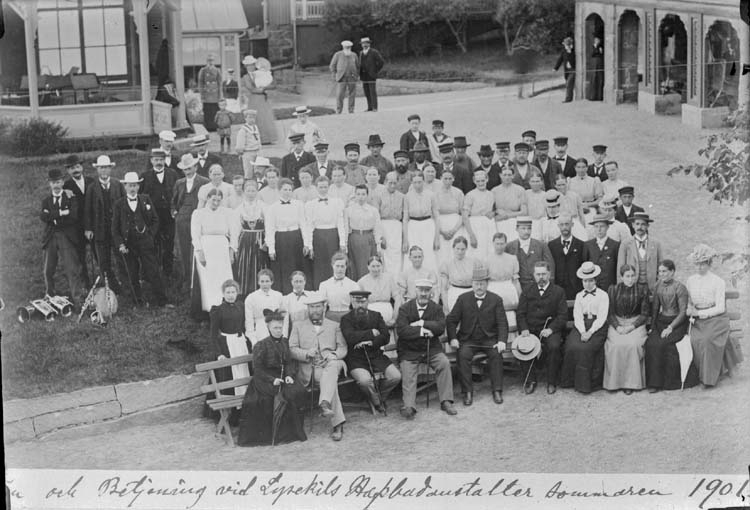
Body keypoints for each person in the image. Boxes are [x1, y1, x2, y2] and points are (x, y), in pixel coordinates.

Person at [238, 309, 307, 447]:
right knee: (265, 399)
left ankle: (290, 433)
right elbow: (258, 369)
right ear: (268, 327)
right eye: (275, 328)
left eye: (280, 327)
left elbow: (289, 363)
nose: (278, 330)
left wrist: (289, 375)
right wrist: (272, 379)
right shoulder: (261, 345)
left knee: (296, 392)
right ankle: (269, 435)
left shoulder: (286, 342)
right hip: (264, 379)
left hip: (283, 377)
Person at [446, 264, 508, 406]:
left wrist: (502, 341)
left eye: (482, 284)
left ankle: (497, 390)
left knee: (496, 355)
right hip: (468, 340)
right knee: (462, 356)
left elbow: (502, 323)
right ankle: (467, 392)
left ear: (487, 284)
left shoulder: (496, 299)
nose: (479, 286)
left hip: (489, 339)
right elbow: (451, 320)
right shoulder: (463, 298)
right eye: (476, 283)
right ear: (472, 284)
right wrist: (453, 338)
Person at [289, 292, 348, 441]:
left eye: (317, 306)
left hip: (332, 363)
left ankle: (325, 404)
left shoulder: (334, 325)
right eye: (311, 307)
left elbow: (343, 348)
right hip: (313, 368)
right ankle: (336, 420)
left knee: (332, 367)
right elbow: (291, 349)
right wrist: (306, 353)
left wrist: (334, 354)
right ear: (307, 308)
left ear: (324, 307)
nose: (314, 310)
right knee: (329, 381)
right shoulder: (298, 326)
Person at [396, 279, 457, 419]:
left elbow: (440, 327)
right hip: (409, 350)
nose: (423, 293)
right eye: (421, 290)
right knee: (407, 371)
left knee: (444, 363)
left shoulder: (436, 308)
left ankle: (446, 401)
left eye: (427, 290)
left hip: (432, 349)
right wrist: (422, 331)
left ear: (431, 292)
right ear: (415, 291)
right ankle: (409, 406)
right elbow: (402, 330)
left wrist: (422, 322)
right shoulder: (405, 308)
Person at [685, 244, 743, 387]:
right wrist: (690, 308)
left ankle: (708, 378)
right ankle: (698, 374)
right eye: (697, 264)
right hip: (697, 321)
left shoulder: (718, 282)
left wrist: (700, 313)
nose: (699, 267)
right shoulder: (691, 280)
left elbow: (720, 308)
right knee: (694, 340)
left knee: (706, 340)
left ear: (709, 263)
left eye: (703, 264)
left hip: (716, 319)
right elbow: (690, 301)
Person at [112, 172, 171, 307]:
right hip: (128, 244)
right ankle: (137, 302)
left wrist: (150, 236)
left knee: (153, 270)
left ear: (138, 186)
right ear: (125, 187)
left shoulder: (145, 199)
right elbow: (115, 228)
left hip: (145, 242)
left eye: (135, 185)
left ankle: (162, 301)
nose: (132, 188)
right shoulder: (119, 204)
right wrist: (120, 244)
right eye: (130, 185)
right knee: (132, 273)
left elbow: (155, 220)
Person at [341, 290, 401, 412]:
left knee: (396, 376)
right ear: (352, 302)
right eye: (357, 302)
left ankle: (379, 396)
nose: (360, 305)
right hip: (356, 359)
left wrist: (371, 342)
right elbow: (350, 337)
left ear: (368, 301)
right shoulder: (346, 319)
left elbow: (385, 337)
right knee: (365, 381)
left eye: (363, 302)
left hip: (376, 355)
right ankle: (377, 402)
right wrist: (371, 332)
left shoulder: (376, 316)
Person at [645, 260, 699, 392]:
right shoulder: (658, 286)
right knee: (651, 343)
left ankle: (668, 383)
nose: (661, 274)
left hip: (677, 323)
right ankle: (654, 383)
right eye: (660, 272)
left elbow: (683, 312)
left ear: (672, 272)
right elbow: (655, 309)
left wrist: (670, 327)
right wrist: (652, 327)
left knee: (664, 344)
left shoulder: (680, 287)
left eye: (664, 271)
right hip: (661, 321)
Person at [516, 261, 568, 393]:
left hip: (550, 329)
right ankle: (530, 380)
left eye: (544, 274)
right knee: (523, 345)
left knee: (554, 346)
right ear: (534, 275)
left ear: (549, 274)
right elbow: (520, 313)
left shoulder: (558, 291)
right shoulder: (527, 291)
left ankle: (551, 381)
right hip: (531, 329)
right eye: (538, 274)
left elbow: (562, 316)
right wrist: (524, 329)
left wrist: (551, 329)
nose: (541, 277)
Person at [560, 262, 609, 393]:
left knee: (586, 348)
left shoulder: (603, 295)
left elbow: (602, 318)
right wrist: (582, 331)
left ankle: (588, 384)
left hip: (597, 327)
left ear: (595, 280)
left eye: (591, 281)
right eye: (585, 281)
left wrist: (590, 332)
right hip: (581, 325)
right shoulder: (579, 295)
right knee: (571, 346)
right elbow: (577, 316)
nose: (588, 284)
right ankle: (570, 381)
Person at [604, 264, 650, 394]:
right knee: (615, 346)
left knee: (633, 345)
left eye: (632, 276)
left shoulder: (642, 290)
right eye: (627, 276)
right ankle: (615, 383)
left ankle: (631, 383)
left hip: (636, 323)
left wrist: (631, 326)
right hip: (617, 323)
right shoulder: (613, 290)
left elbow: (644, 314)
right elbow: (610, 313)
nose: (630, 279)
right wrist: (617, 327)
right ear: (622, 277)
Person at [190, 188, 238, 313]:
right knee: (207, 279)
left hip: (222, 249)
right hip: (206, 248)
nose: (216, 203)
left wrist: (231, 251)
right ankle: (208, 308)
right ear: (208, 198)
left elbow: (234, 233)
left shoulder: (227, 213)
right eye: (213, 200)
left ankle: (224, 306)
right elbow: (195, 234)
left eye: (218, 200)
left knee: (222, 277)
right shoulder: (198, 213)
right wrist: (200, 252)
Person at [41, 168, 83, 302]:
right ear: (49, 184)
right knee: (48, 270)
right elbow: (43, 217)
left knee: (72, 269)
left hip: (66, 236)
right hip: (50, 236)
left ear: (63, 182)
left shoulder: (71, 198)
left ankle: (77, 298)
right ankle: (50, 296)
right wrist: (61, 213)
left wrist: (53, 218)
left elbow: (73, 217)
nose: (56, 185)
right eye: (53, 182)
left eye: (58, 182)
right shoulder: (46, 201)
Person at [84, 155, 125, 293]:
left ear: (110, 169)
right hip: (100, 230)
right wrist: (88, 228)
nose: (104, 171)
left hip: (116, 230)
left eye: (106, 167)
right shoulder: (92, 188)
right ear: (97, 170)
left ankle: (126, 285)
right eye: (101, 168)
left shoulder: (117, 184)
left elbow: (124, 205)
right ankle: (112, 287)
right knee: (104, 261)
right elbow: (88, 210)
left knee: (121, 258)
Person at [171, 155, 210, 289]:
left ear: (195, 167)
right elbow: (174, 201)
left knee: (198, 248)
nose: (187, 171)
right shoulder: (179, 183)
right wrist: (174, 212)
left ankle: (199, 280)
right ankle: (187, 280)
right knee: (183, 249)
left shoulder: (204, 182)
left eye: (189, 168)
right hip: (182, 219)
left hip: (198, 218)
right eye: (185, 169)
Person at [208, 280, 251, 400]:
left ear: (237, 293)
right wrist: (219, 353)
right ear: (223, 294)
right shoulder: (218, 310)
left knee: (244, 369)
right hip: (227, 345)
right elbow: (213, 334)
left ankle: (245, 401)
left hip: (241, 343)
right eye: (228, 292)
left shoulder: (241, 306)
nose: (231, 295)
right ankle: (232, 406)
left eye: (233, 292)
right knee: (229, 374)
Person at [140, 148, 178, 279]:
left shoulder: (172, 174)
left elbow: (177, 193)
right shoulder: (144, 176)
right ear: (151, 161)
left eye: (161, 160)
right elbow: (141, 196)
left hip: (169, 216)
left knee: (169, 244)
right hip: (152, 217)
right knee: (152, 243)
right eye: (156, 160)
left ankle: (168, 272)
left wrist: (175, 208)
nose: (159, 162)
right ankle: (153, 273)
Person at [304, 176, 347, 288]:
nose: (323, 189)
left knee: (333, 262)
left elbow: (340, 223)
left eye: (325, 187)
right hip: (318, 236)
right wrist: (310, 245)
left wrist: (342, 242)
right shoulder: (310, 204)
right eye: (320, 187)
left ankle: (335, 288)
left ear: (329, 187)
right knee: (319, 264)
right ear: (316, 188)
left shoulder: (337, 202)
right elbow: (309, 225)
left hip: (333, 235)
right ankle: (319, 289)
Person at [266, 179, 306, 295]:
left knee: (297, 265)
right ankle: (284, 294)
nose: (287, 192)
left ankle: (298, 292)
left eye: (289, 189)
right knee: (283, 267)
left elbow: (303, 224)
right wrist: (271, 248)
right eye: (285, 189)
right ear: (279, 190)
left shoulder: (299, 204)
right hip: (281, 238)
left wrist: (307, 243)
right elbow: (270, 228)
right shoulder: (272, 207)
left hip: (296, 237)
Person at [62, 155, 93, 288]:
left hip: (93, 225)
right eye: (72, 168)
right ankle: (86, 284)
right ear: (68, 171)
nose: (75, 170)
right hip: (77, 227)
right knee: (80, 257)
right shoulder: (66, 186)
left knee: (99, 255)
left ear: (82, 167)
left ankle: (107, 282)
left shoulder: (92, 181)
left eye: (77, 167)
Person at [234, 179, 268, 298]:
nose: (251, 193)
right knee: (245, 265)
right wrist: (235, 246)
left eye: (253, 191)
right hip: (245, 240)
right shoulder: (239, 208)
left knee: (260, 264)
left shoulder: (264, 207)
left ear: (257, 192)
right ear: (244, 192)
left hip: (260, 239)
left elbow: (269, 226)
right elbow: (236, 229)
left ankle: (262, 293)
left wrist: (267, 242)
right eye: (248, 191)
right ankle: (244, 295)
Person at [403, 172, 440, 273]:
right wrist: (405, 240)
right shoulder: (407, 196)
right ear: (412, 182)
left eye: (419, 182)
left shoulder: (431, 195)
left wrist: (437, 238)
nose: (417, 185)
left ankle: (431, 277)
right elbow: (405, 219)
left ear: (423, 181)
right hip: (413, 226)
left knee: (429, 252)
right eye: (415, 182)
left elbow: (437, 216)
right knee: (413, 251)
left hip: (428, 225)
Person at [617, 212, 661, 294]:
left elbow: (661, 266)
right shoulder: (626, 244)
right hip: (631, 286)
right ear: (633, 225)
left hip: (651, 287)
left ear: (648, 226)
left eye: (643, 224)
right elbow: (620, 268)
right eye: (637, 224)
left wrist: (658, 285)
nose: (640, 227)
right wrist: (622, 289)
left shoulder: (656, 244)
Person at [505, 217, 555, 289]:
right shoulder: (509, 247)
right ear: (517, 229)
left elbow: (550, 267)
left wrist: (548, 286)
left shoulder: (541, 246)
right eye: (523, 228)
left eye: (529, 228)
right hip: (519, 287)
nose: (526, 231)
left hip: (538, 286)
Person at [346, 185, 383, 280]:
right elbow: (346, 228)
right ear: (355, 195)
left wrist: (378, 246)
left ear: (367, 195)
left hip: (368, 239)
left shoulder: (373, 210)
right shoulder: (349, 210)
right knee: (354, 265)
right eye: (358, 194)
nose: (361, 197)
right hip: (354, 238)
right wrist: (345, 244)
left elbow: (377, 228)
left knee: (367, 264)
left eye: (363, 194)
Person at [239, 55, 278, 144]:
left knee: (266, 118)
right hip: (254, 99)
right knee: (256, 118)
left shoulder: (260, 74)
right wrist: (263, 89)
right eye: (249, 65)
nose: (251, 67)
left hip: (263, 99)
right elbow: (251, 88)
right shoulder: (246, 77)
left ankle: (267, 138)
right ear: (246, 66)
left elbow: (271, 83)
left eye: (253, 64)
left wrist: (266, 88)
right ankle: (256, 138)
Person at [548, 215, 585, 300]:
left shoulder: (581, 245)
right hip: (557, 288)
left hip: (576, 288)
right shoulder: (551, 245)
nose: (564, 227)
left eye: (567, 224)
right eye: (562, 224)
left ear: (572, 224)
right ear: (558, 226)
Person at [439, 236, 479, 316]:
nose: (460, 252)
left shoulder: (473, 262)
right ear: (453, 248)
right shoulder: (447, 264)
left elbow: (479, 282)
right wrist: (445, 306)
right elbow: (443, 288)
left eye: (462, 249)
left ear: (466, 249)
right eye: (457, 249)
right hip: (454, 293)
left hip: (470, 293)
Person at [462, 169, 495, 261]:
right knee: (476, 252)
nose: (481, 183)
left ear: (487, 179)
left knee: (489, 251)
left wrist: (493, 213)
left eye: (483, 180)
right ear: (474, 181)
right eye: (478, 181)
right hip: (475, 226)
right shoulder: (470, 195)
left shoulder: (491, 194)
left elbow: (494, 210)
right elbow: (465, 216)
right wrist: (471, 235)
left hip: (489, 226)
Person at [244, 268, 283, 346]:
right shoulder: (251, 297)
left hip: (277, 332)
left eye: (267, 281)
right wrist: (253, 340)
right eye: (262, 281)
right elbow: (249, 321)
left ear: (272, 282)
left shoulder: (278, 296)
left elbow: (284, 317)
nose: (264, 284)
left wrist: (283, 335)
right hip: (260, 333)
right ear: (258, 282)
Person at [377, 172, 406, 276]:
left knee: (397, 254)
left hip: (397, 227)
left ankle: (397, 279)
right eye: (390, 183)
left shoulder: (402, 197)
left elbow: (405, 217)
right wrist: (380, 236)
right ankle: (386, 278)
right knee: (384, 254)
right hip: (383, 225)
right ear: (385, 182)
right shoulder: (379, 195)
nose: (393, 185)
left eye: (395, 183)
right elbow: (376, 217)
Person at [358, 255, 400, 325]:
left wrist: (394, 318)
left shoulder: (389, 278)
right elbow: (358, 303)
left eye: (378, 266)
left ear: (382, 266)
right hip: (369, 316)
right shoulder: (362, 282)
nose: (376, 269)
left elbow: (398, 298)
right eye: (373, 266)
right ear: (368, 267)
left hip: (388, 316)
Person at [582, 213, 620, 291]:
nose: (599, 229)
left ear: (607, 227)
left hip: (610, 287)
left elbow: (617, 267)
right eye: (596, 226)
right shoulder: (588, 245)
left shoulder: (615, 245)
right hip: (593, 287)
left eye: (602, 226)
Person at [434, 170, 465, 266]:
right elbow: (434, 213)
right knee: (442, 252)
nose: (447, 181)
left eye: (450, 178)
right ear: (441, 179)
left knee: (456, 249)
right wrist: (441, 231)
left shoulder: (458, 192)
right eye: (445, 178)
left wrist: (454, 230)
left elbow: (463, 213)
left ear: (453, 179)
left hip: (456, 224)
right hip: (440, 224)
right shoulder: (435, 193)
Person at [319, 252, 360, 322]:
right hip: (330, 316)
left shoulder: (353, 285)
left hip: (347, 316)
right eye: (337, 266)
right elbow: (322, 306)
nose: (340, 269)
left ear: (346, 267)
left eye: (342, 266)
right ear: (332, 266)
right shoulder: (324, 285)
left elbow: (357, 305)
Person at [493, 166, 528, 242]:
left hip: (514, 222)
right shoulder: (494, 191)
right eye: (504, 175)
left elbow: (524, 212)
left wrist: (507, 215)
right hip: (499, 223)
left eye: (509, 175)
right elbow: (490, 211)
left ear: (513, 176)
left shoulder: (520, 190)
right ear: (500, 175)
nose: (507, 177)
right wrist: (497, 211)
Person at [487, 233, 521, 308]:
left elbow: (516, 281)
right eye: (497, 244)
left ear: (505, 243)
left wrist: (520, 295)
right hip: (493, 288)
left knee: (510, 311)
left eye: (502, 244)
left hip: (508, 289)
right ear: (493, 243)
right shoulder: (486, 259)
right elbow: (484, 281)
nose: (499, 247)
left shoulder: (512, 258)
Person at [330, 40, 360, 114]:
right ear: (343, 47)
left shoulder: (354, 55)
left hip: (352, 77)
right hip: (341, 77)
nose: (347, 48)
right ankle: (339, 110)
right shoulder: (338, 54)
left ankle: (351, 109)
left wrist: (357, 75)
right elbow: (332, 65)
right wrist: (334, 74)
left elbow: (358, 66)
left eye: (349, 47)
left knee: (352, 94)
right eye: (346, 47)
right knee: (340, 95)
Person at [359, 37, 385, 112]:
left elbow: (381, 62)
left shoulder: (374, 52)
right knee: (366, 91)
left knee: (372, 91)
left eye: (366, 43)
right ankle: (369, 107)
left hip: (371, 74)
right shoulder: (361, 53)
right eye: (363, 43)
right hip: (364, 75)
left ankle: (374, 107)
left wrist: (375, 70)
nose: (364, 45)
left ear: (369, 44)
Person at [280, 271, 310, 336]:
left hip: (308, 331)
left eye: (301, 281)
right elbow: (285, 321)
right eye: (296, 282)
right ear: (292, 282)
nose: (298, 284)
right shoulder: (286, 299)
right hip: (294, 332)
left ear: (305, 282)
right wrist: (284, 337)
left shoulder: (311, 296)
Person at [197, 54, 222, 131]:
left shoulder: (217, 70)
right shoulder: (203, 70)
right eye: (209, 60)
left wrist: (220, 95)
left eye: (212, 60)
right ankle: (208, 127)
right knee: (207, 111)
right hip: (207, 94)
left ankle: (215, 126)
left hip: (215, 94)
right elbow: (200, 83)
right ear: (207, 61)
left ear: (214, 61)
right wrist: (202, 94)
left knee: (215, 111)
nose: (211, 62)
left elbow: (220, 83)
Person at [235, 109, 262, 179]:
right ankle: (248, 181)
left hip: (257, 151)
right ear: (245, 118)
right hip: (248, 152)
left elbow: (258, 139)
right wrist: (240, 151)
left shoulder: (255, 127)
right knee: (248, 170)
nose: (252, 120)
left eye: (253, 118)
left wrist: (259, 148)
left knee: (259, 169)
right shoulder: (243, 130)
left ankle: (258, 181)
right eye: (249, 117)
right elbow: (240, 142)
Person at [554, 36, 576, 103]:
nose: (565, 46)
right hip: (567, 70)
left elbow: (573, 59)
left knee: (569, 83)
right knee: (568, 84)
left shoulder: (573, 51)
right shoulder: (563, 51)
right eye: (565, 45)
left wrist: (570, 52)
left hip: (573, 70)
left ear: (569, 45)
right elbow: (560, 60)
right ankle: (570, 98)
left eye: (566, 45)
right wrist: (555, 68)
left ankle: (568, 99)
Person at [526, 171, 548, 239]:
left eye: (537, 181)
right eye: (533, 181)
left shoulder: (546, 195)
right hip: (529, 223)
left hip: (543, 224)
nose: (535, 184)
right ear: (529, 182)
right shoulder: (525, 194)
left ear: (541, 182)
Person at [588, 35, 604, 101]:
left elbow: (601, 54)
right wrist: (596, 48)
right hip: (593, 64)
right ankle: (592, 96)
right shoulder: (592, 47)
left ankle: (599, 96)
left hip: (599, 64)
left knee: (600, 79)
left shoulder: (600, 47)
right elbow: (592, 54)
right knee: (593, 79)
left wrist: (598, 50)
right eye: (596, 40)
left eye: (598, 40)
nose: (597, 41)